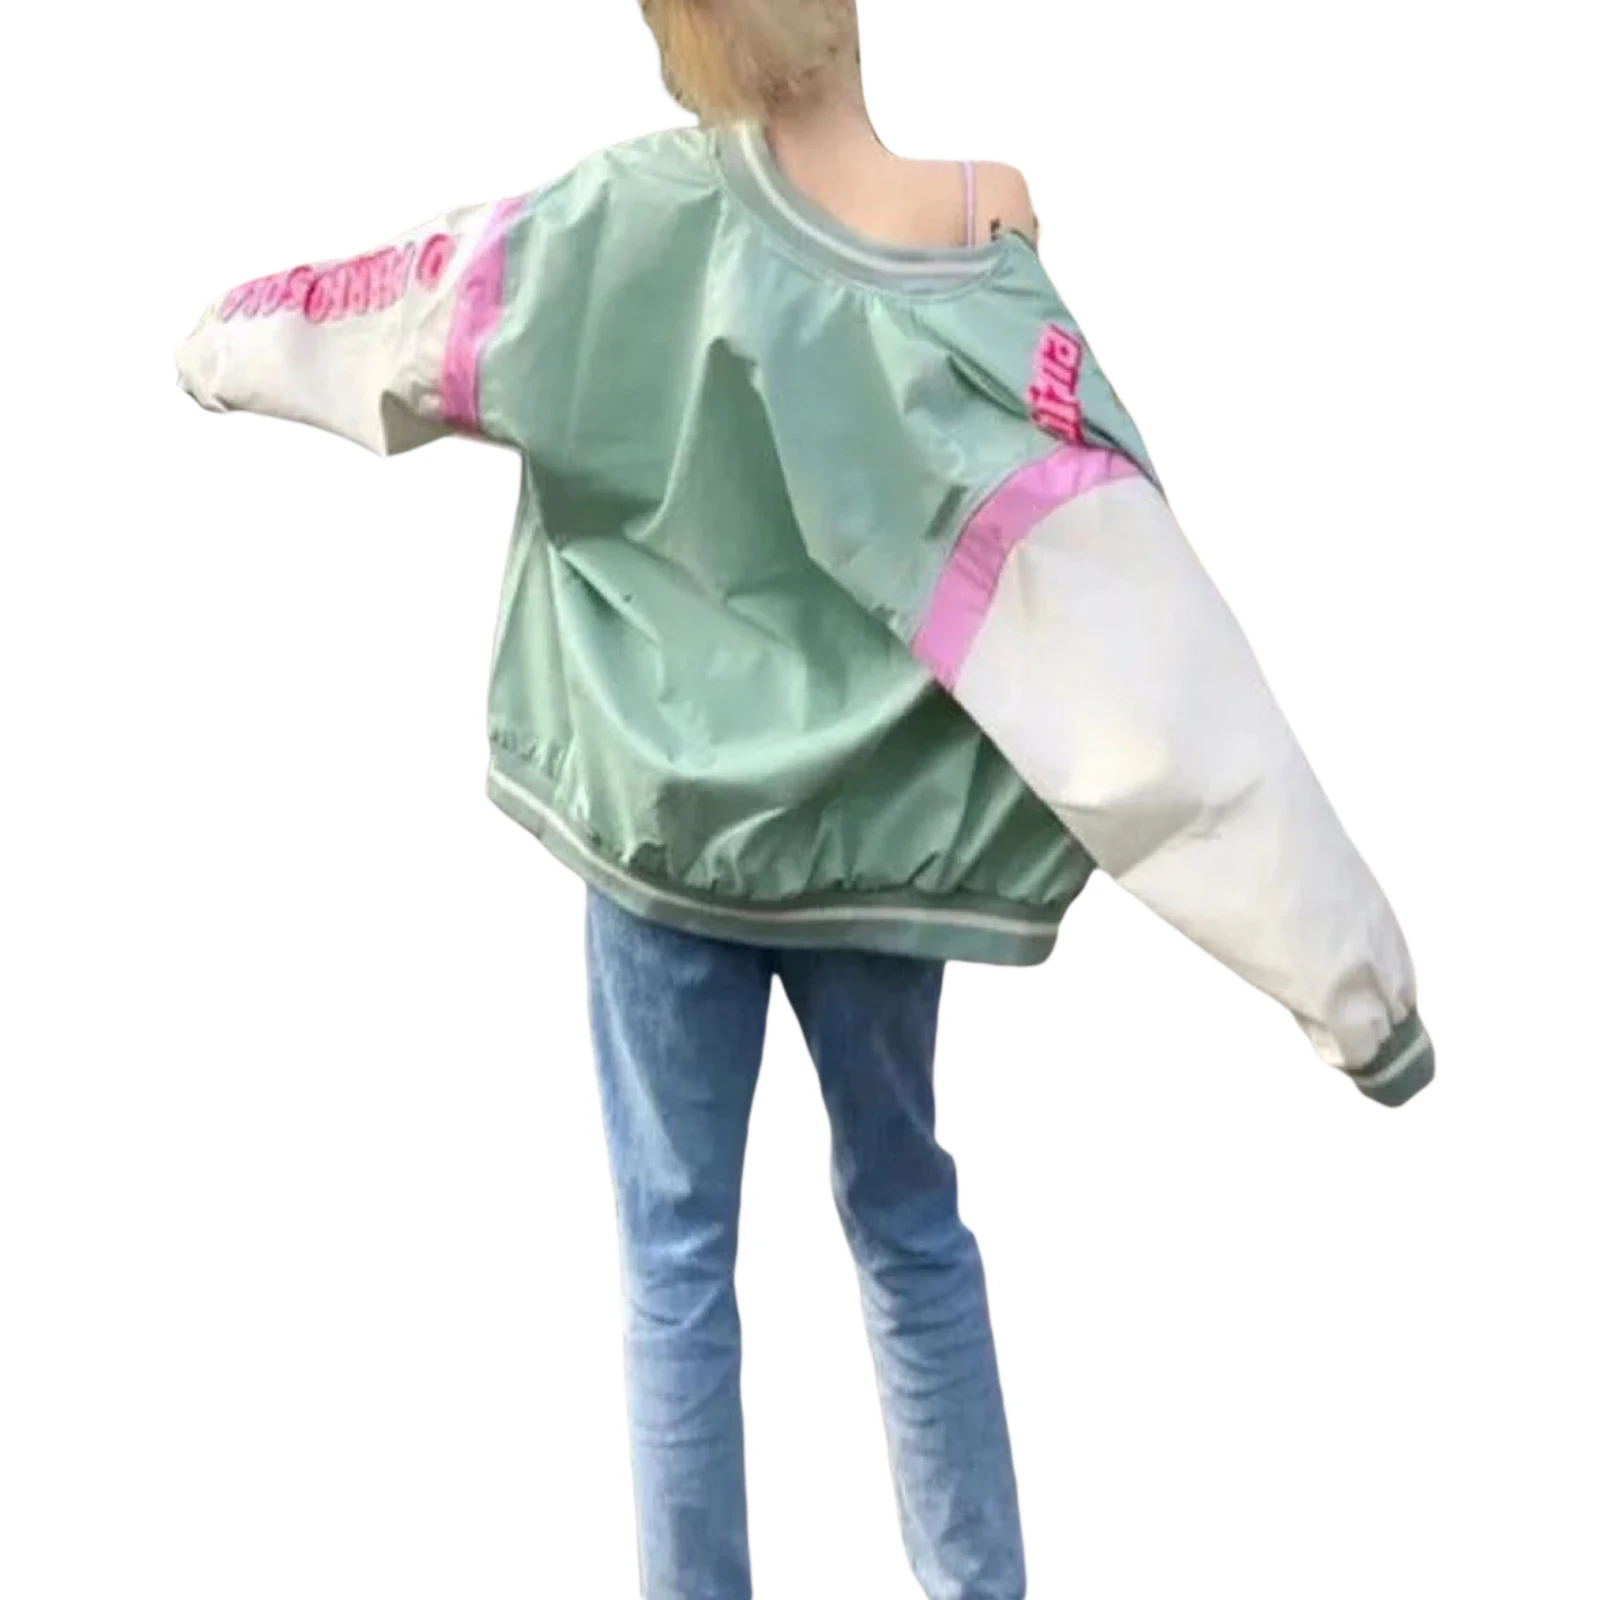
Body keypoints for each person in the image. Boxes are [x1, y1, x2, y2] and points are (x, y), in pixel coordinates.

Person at [173, 1, 1434, 1593]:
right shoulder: (985, 221)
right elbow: (1125, 598)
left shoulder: (619, 219)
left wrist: (216, 340)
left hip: (664, 839)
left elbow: (400, 318)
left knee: (674, 1257)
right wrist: (1355, 994)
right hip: (878, 855)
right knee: (909, 1222)